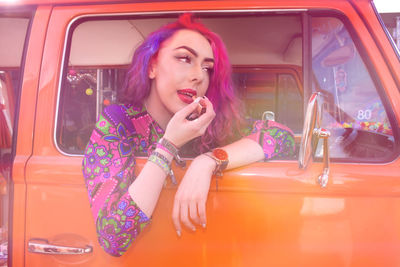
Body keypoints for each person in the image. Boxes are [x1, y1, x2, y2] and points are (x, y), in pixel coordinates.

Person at [82, 13, 295, 257]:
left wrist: (209, 161)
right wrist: (169, 145)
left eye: (207, 68)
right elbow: (114, 237)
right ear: (152, 66)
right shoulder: (118, 122)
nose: (198, 76)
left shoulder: (209, 123)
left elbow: (282, 136)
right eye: (184, 59)